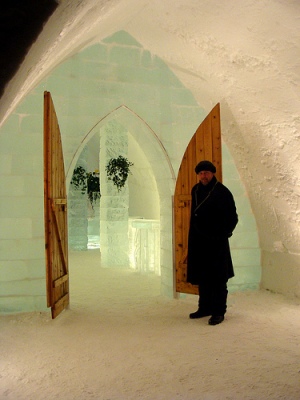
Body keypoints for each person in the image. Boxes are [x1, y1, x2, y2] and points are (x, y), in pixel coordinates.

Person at [187, 160, 238, 325]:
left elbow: (232, 217)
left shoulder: (222, 192)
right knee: (203, 277)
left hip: (216, 243)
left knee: (218, 278)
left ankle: (218, 311)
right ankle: (205, 307)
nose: (203, 176)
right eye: (201, 173)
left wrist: (222, 235)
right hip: (199, 241)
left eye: (206, 173)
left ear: (213, 173)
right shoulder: (195, 190)